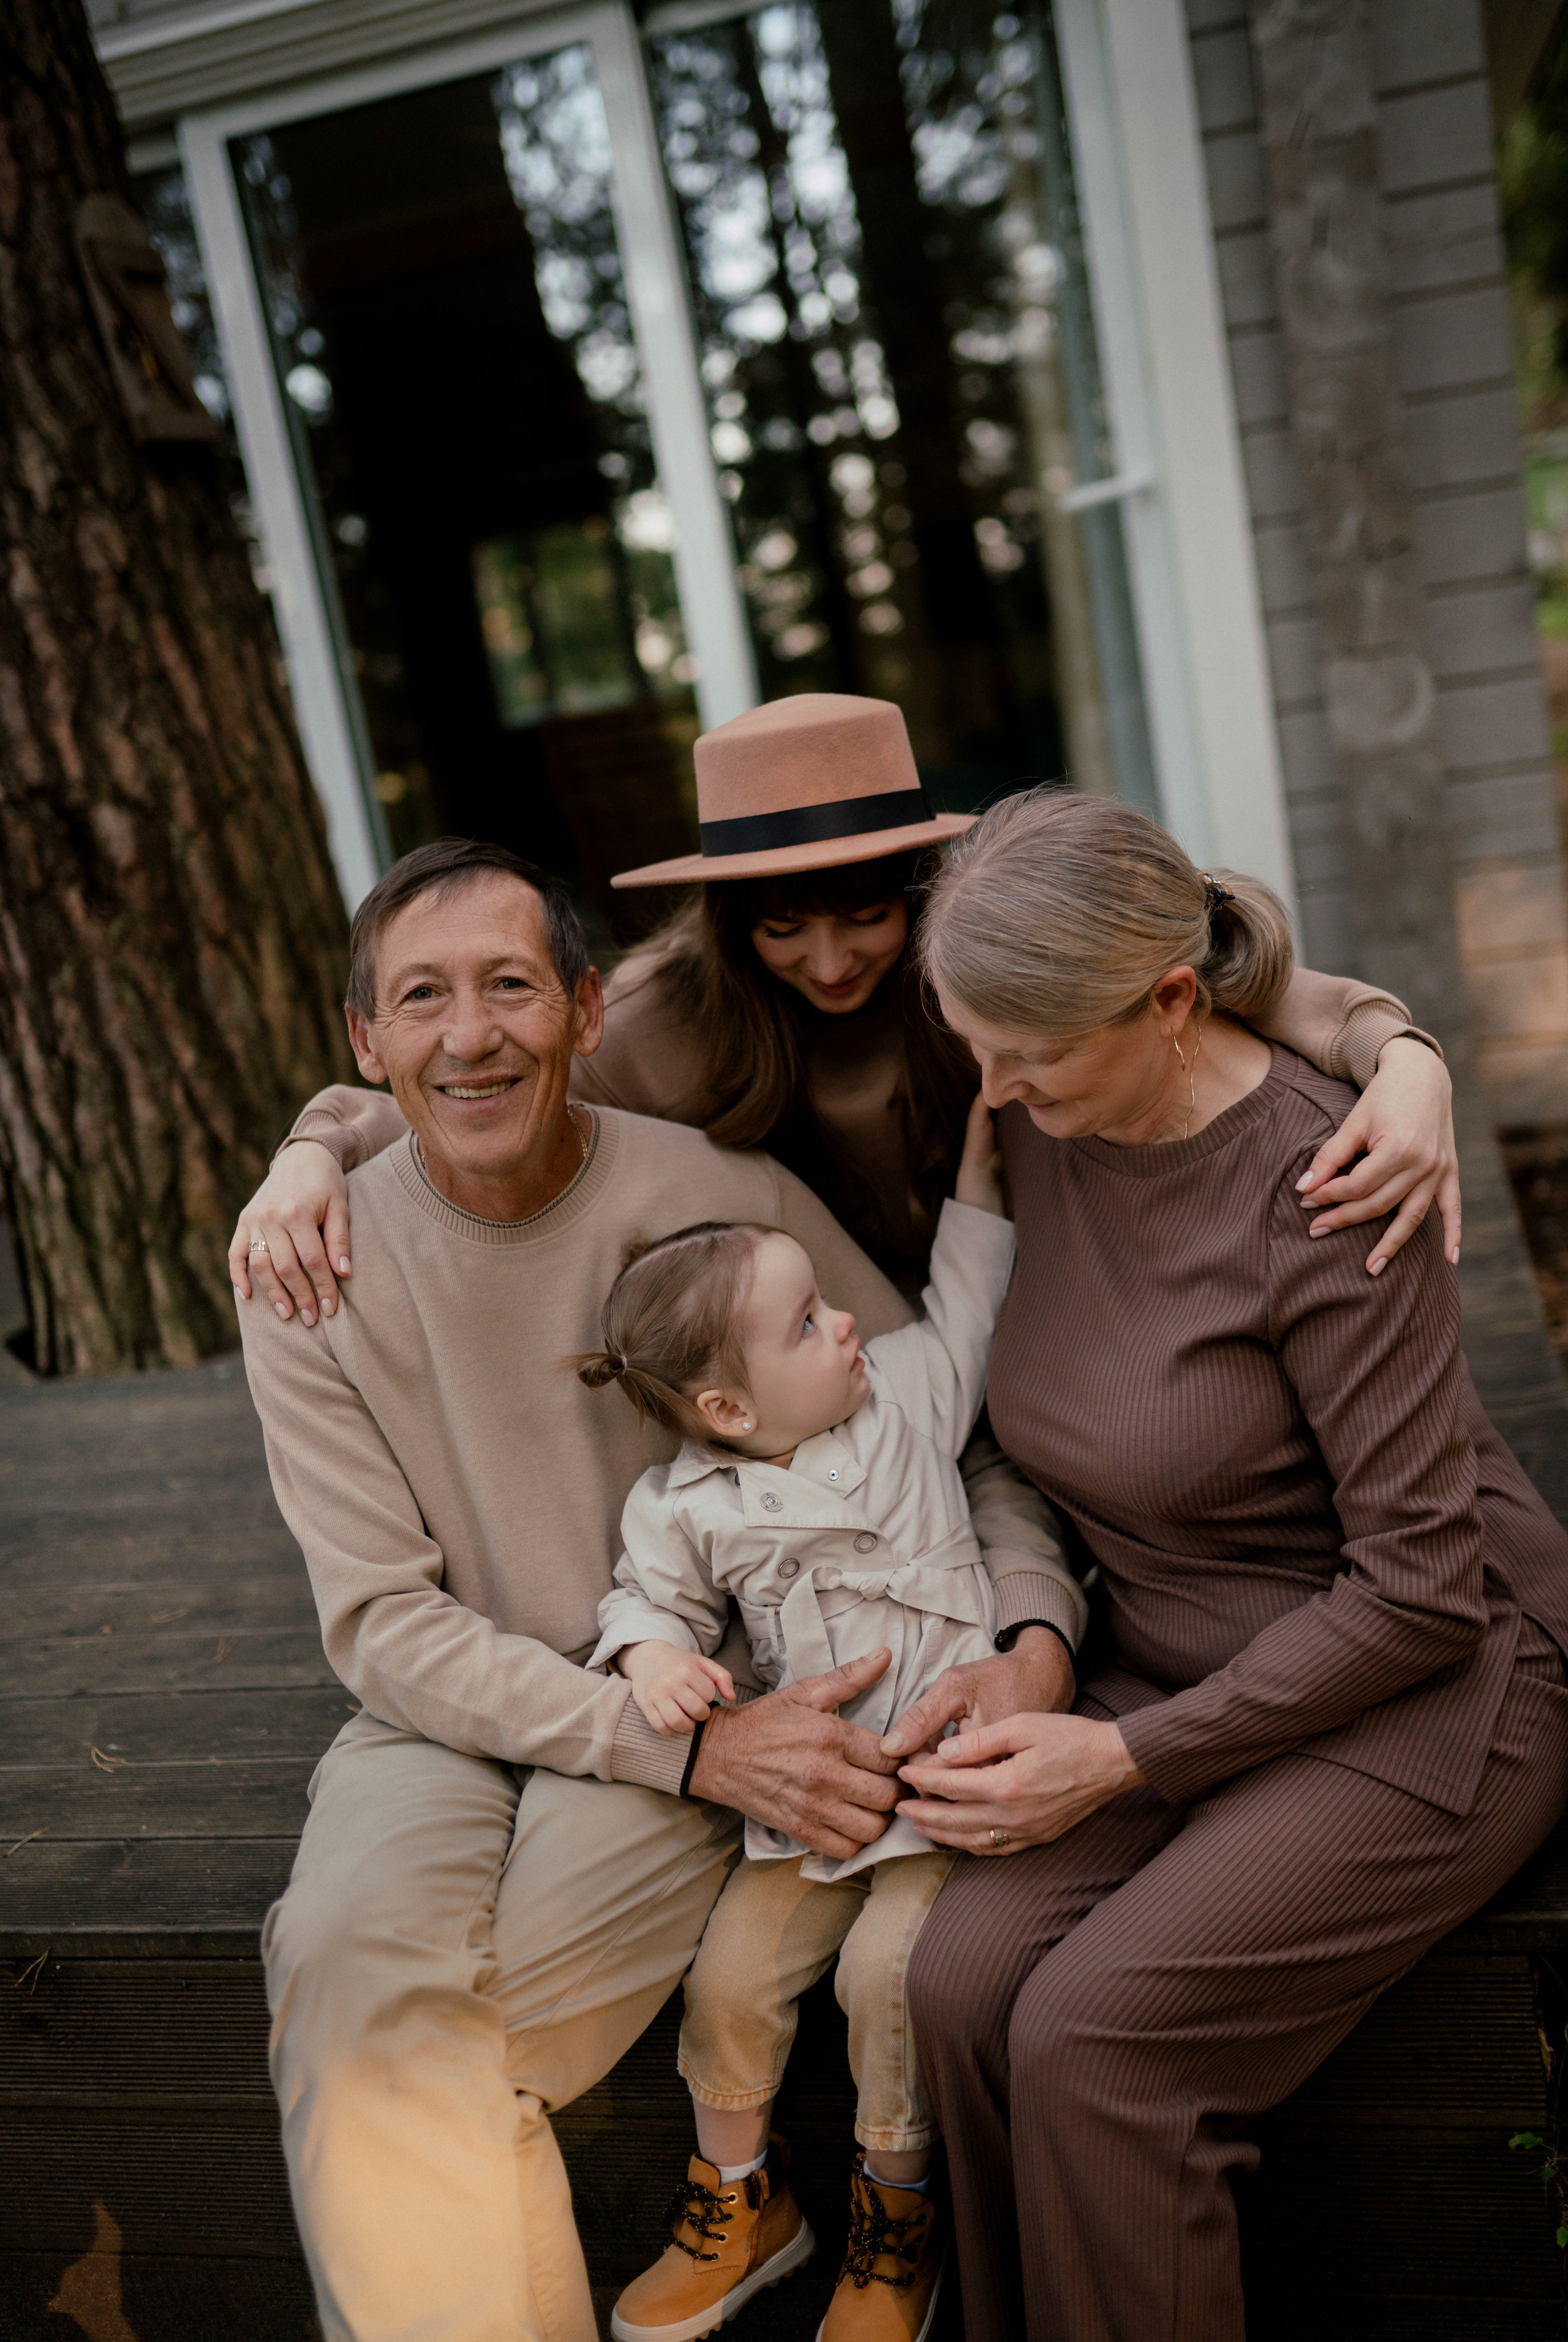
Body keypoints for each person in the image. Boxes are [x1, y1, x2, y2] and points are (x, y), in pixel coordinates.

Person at [234, 834, 1075, 2342]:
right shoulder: (310, 1260)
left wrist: (1032, 1631)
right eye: (420, 997)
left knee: (397, 2067)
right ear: (365, 1039)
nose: (469, 1033)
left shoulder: (717, 1195)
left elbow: (938, 1439)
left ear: (583, 1009)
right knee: (341, 1967)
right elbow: (382, 1624)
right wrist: (671, 1741)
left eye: (509, 985)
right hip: (453, 1716)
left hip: (702, 1701)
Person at [865, 791, 1568, 2342]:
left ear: (1170, 1003)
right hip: (1165, 1660)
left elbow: (1418, 1587)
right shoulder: (1042, 1117)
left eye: (1028, 1056)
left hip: (1431, 1688)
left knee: (1096, 2040)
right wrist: (346, 1132)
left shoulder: (1325, 1180)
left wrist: (1119, 1757)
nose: (990, 1089)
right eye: (978, 1047)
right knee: (956, 1986)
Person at [231, 694, 1461, 1339]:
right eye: (783, 929)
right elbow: (474, 1083)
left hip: (1070, 1315)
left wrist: (1406, 1059)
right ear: (731, 921)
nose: (829, 963)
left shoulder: (986, 949)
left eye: (867, 917)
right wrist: (311, 1152)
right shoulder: (662, 1015)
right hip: (845, 1365)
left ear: (919, 888)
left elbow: (1238, 971)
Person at [581, 1090, 1009, 2342]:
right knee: (727, 1978)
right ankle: (739, 2195)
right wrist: (650, 1656)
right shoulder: (685, 1503)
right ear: (726, 1406)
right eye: (809, 1321)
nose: (846, 1322)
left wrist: (980, 1175)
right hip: (807, 1799)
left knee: (888, 1975)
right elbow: (644, 1597)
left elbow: (968, 1300)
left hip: (940, 1780)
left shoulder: (905, 1398)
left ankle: (895, 2218)